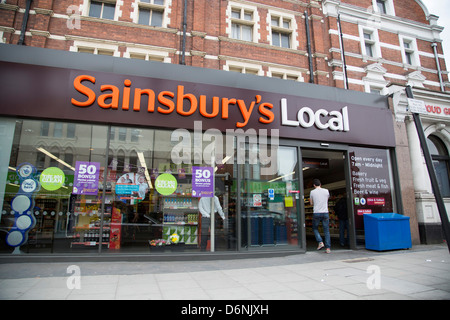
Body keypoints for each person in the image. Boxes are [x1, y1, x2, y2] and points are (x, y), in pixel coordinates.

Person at [310, 179, 331, 253]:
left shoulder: (312, 192)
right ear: (320, 184)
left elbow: (311, 203)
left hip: (317, 212)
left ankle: (320, 242)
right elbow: (327, 199)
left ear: (314, 185)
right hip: (325, 212)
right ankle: (328, 248)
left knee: (315, 228)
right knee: (326, 231)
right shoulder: (326, 191)